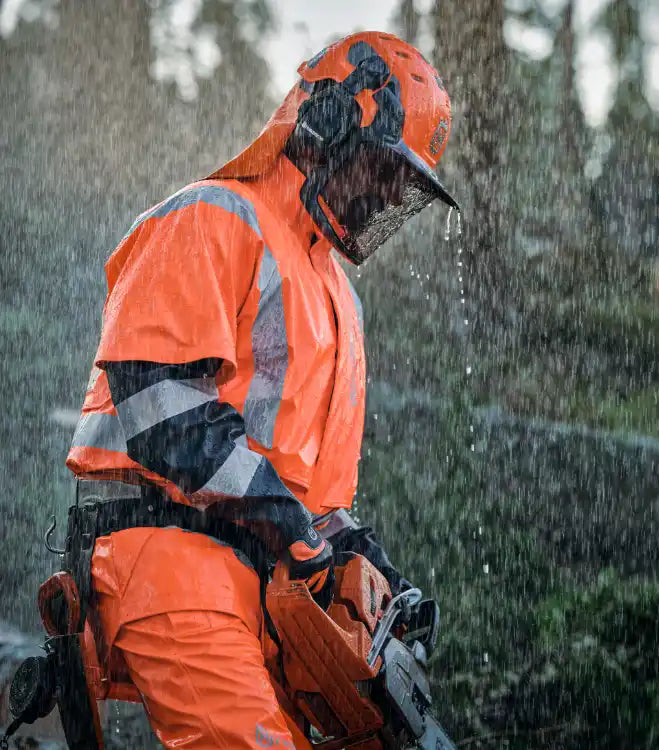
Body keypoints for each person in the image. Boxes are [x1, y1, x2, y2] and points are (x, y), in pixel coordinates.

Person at [65, 30, 457, 748]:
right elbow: (157, 404)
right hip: (167, 562)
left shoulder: (337, 296)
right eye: (382, 166)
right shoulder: (212, 216)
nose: (388, 193)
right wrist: (290, 523)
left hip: (260, 588)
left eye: (403, 181)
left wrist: (358, 557)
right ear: (327, 123)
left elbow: (313, 496)